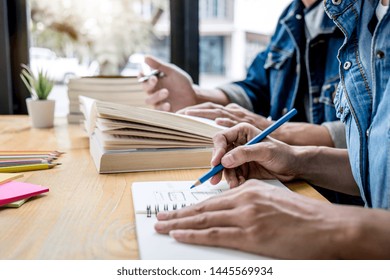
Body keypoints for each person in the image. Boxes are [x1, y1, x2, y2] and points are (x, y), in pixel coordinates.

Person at [154, 0, 390, 259]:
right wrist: (297, 160)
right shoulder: (302, 16)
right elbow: (379, 166)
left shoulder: (355, 15)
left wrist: (333, 226)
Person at [143, 0, 347, 148]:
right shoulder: (291, 17)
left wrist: (277, 131)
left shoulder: (360, 17)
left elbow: (371, 137)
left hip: (338, 196)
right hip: (294, 179)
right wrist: (197, 96)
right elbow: (258, 88)